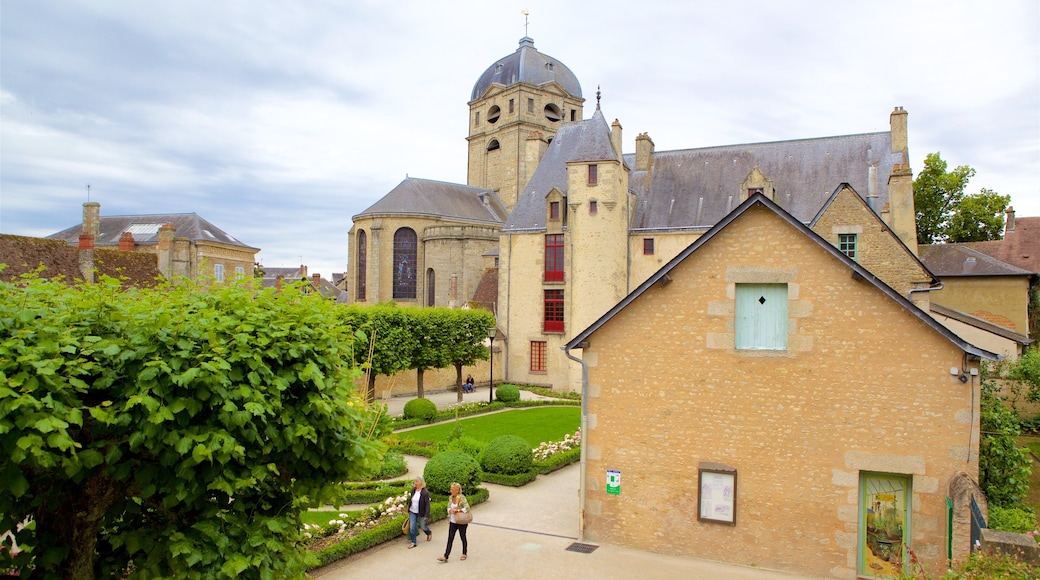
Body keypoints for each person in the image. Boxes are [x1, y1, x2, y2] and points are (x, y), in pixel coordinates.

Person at [437, 482, 470, 562]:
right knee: (450, 538)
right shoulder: (450, 498)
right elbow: (448, 507)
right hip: (452, 521)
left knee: (463, 537)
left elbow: (467, 508)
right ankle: (446, 556)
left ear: (457, 490)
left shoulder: (461, 497)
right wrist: (450, 510)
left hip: (461, 521)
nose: (450, 491)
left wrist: (457, 510)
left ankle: (464, 553)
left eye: (452, 489)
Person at [406, 476, 431, 548]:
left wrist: (426, 515)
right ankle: (413, 542)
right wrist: (408, 509)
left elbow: (427, 504)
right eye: (415, 481)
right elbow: (410, 500)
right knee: (412, 527)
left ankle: (428, 532)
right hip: (412, 511)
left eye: (417, 481)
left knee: (423, 526)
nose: (415, 483)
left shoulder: (425, 492)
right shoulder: (413, 490)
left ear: (421, 482)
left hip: (421, 512)